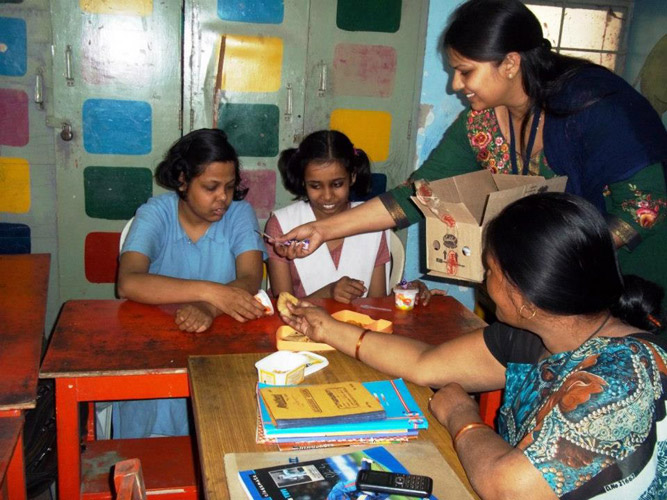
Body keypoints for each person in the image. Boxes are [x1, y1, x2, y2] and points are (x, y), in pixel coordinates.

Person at [275, 0, 667, 310]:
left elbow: (645, 205)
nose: (455, 84)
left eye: (465, 71)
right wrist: (324, 230)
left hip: (629, 277)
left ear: (510, 63)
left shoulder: (594, 106)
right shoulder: (481, 123)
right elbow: (419, 195)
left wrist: (551, 259)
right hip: (546, 281)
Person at [281, 192, 667, 499]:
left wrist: (462, 417)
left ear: (525, 297)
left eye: (491, 270)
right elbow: (425, 364)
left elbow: (508, 488)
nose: (483, 282)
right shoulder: (536, 333)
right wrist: (326, 328)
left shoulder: (622, 377)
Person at [114, 128, 267, 438]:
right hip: (156, 350)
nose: (223, 198)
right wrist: (210, 292)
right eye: (211, 187)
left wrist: (209, 308)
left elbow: (251, 279)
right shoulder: (155, 214)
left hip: (222, 349)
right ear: (182, 180)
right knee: (155, 439)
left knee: (228, 428)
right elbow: (128, 282)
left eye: (229, 186)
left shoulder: (240, 214)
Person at [265, 130, 431, 304]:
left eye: (337, 184)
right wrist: (328, 293)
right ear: (303, 181)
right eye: (315, 186)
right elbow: (284, 308)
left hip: (358, 321)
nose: (327, 196)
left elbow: (377, 303)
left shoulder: (374, 222)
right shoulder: (282, 225)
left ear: (352, 177)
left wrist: (406, 290)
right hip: (299, 322)